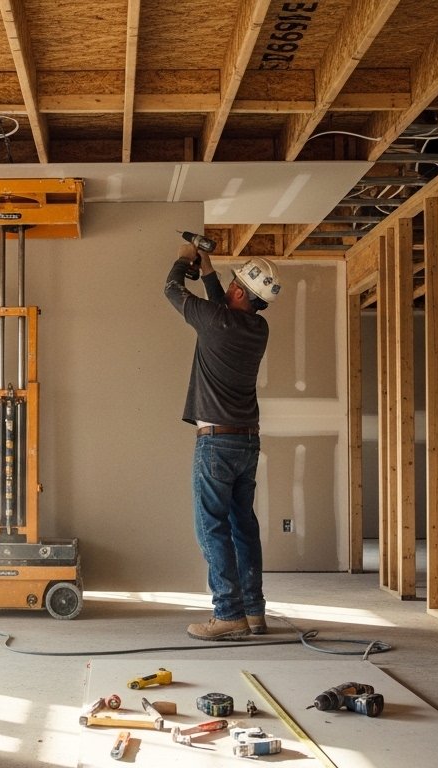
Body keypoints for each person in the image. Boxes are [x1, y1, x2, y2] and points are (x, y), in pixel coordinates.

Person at [162, 242, 281, 641]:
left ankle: (228, 613)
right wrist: (210, 270)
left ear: (239, 293)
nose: (227, 287)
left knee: (211, 527)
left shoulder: (216, 319)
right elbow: (222, 309)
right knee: (243, 526)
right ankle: (253, 611)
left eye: (232, 284)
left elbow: (171, 289)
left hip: (216, 444)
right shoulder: (257, 328)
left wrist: (184, 259)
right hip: (246, 441)